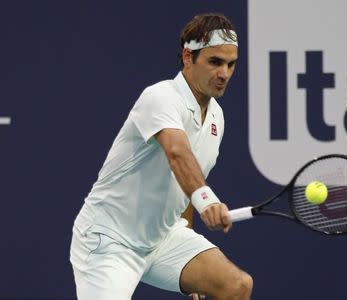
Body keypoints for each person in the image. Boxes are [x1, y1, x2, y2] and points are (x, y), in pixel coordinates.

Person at [69, 13, 253, 300]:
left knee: (236, 286)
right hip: (109, 240)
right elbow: (177, 154)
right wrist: (208, 201)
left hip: (164, 239)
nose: (224, 74)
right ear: (187, 57)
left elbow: (185, 184)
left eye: (231, 64)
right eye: (215, 62)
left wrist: (187, 258)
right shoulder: (161, 97)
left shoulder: (216, 115)